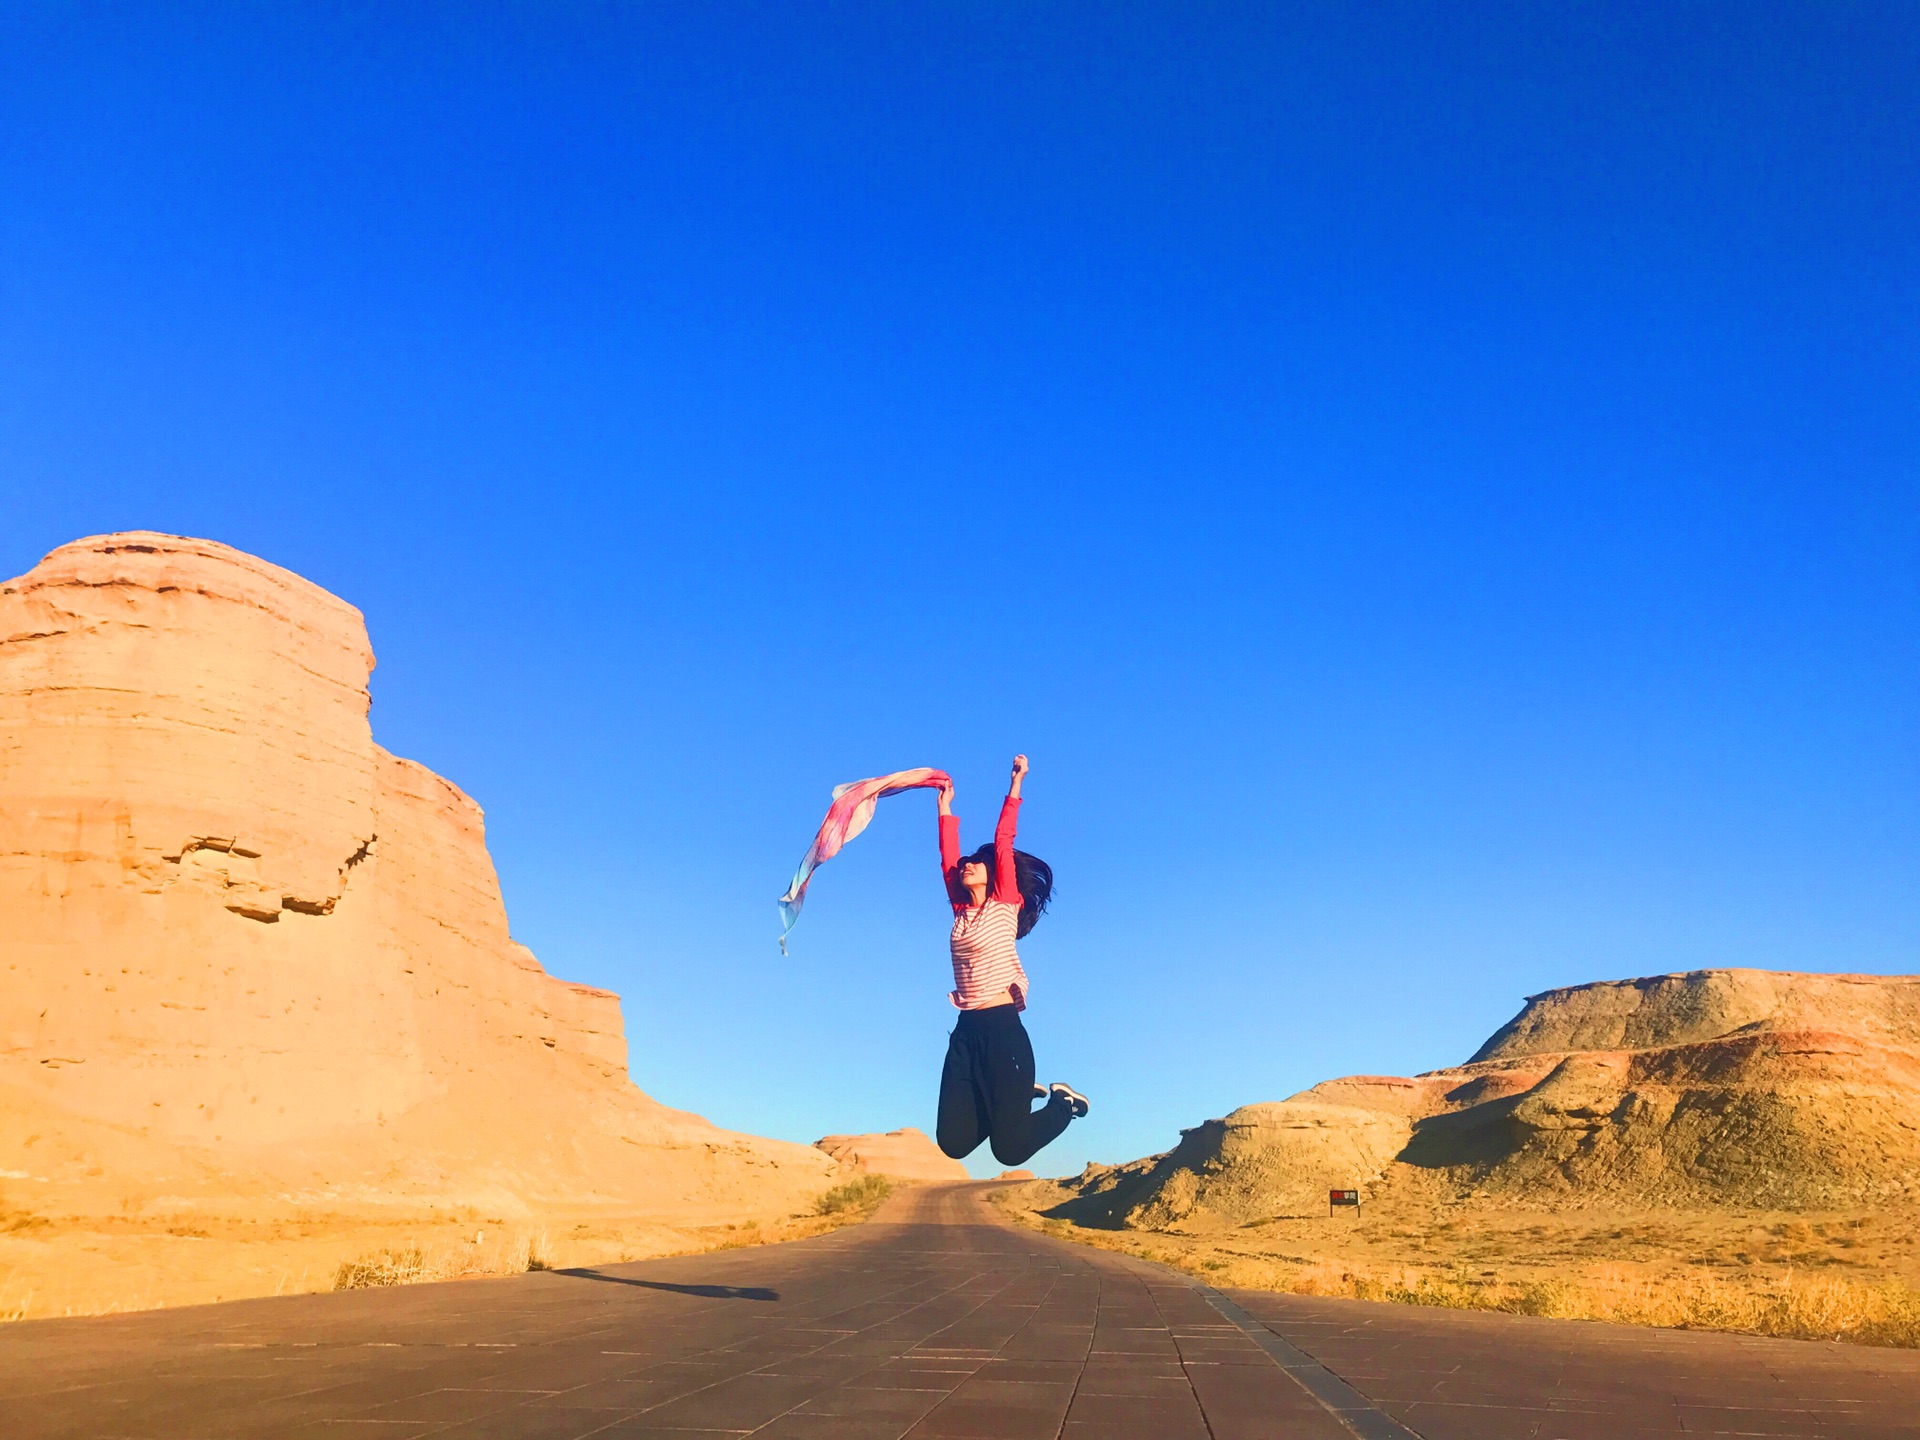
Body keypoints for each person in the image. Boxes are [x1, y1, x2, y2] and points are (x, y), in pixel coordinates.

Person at [933, 753, 1088, 1166]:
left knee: (1010, 1150)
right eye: (964, 865)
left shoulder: (1005, 904)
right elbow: (948, 858)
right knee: (952, 1142)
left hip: (1003, 1032)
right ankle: (1014, 1099)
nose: (966, 866)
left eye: (975, 864)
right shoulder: (961, 910)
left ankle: (1061, 1103)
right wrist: (944, 807)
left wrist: (1016, 783)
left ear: (994, 875)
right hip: (967, 1034)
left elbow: (1003, 841)